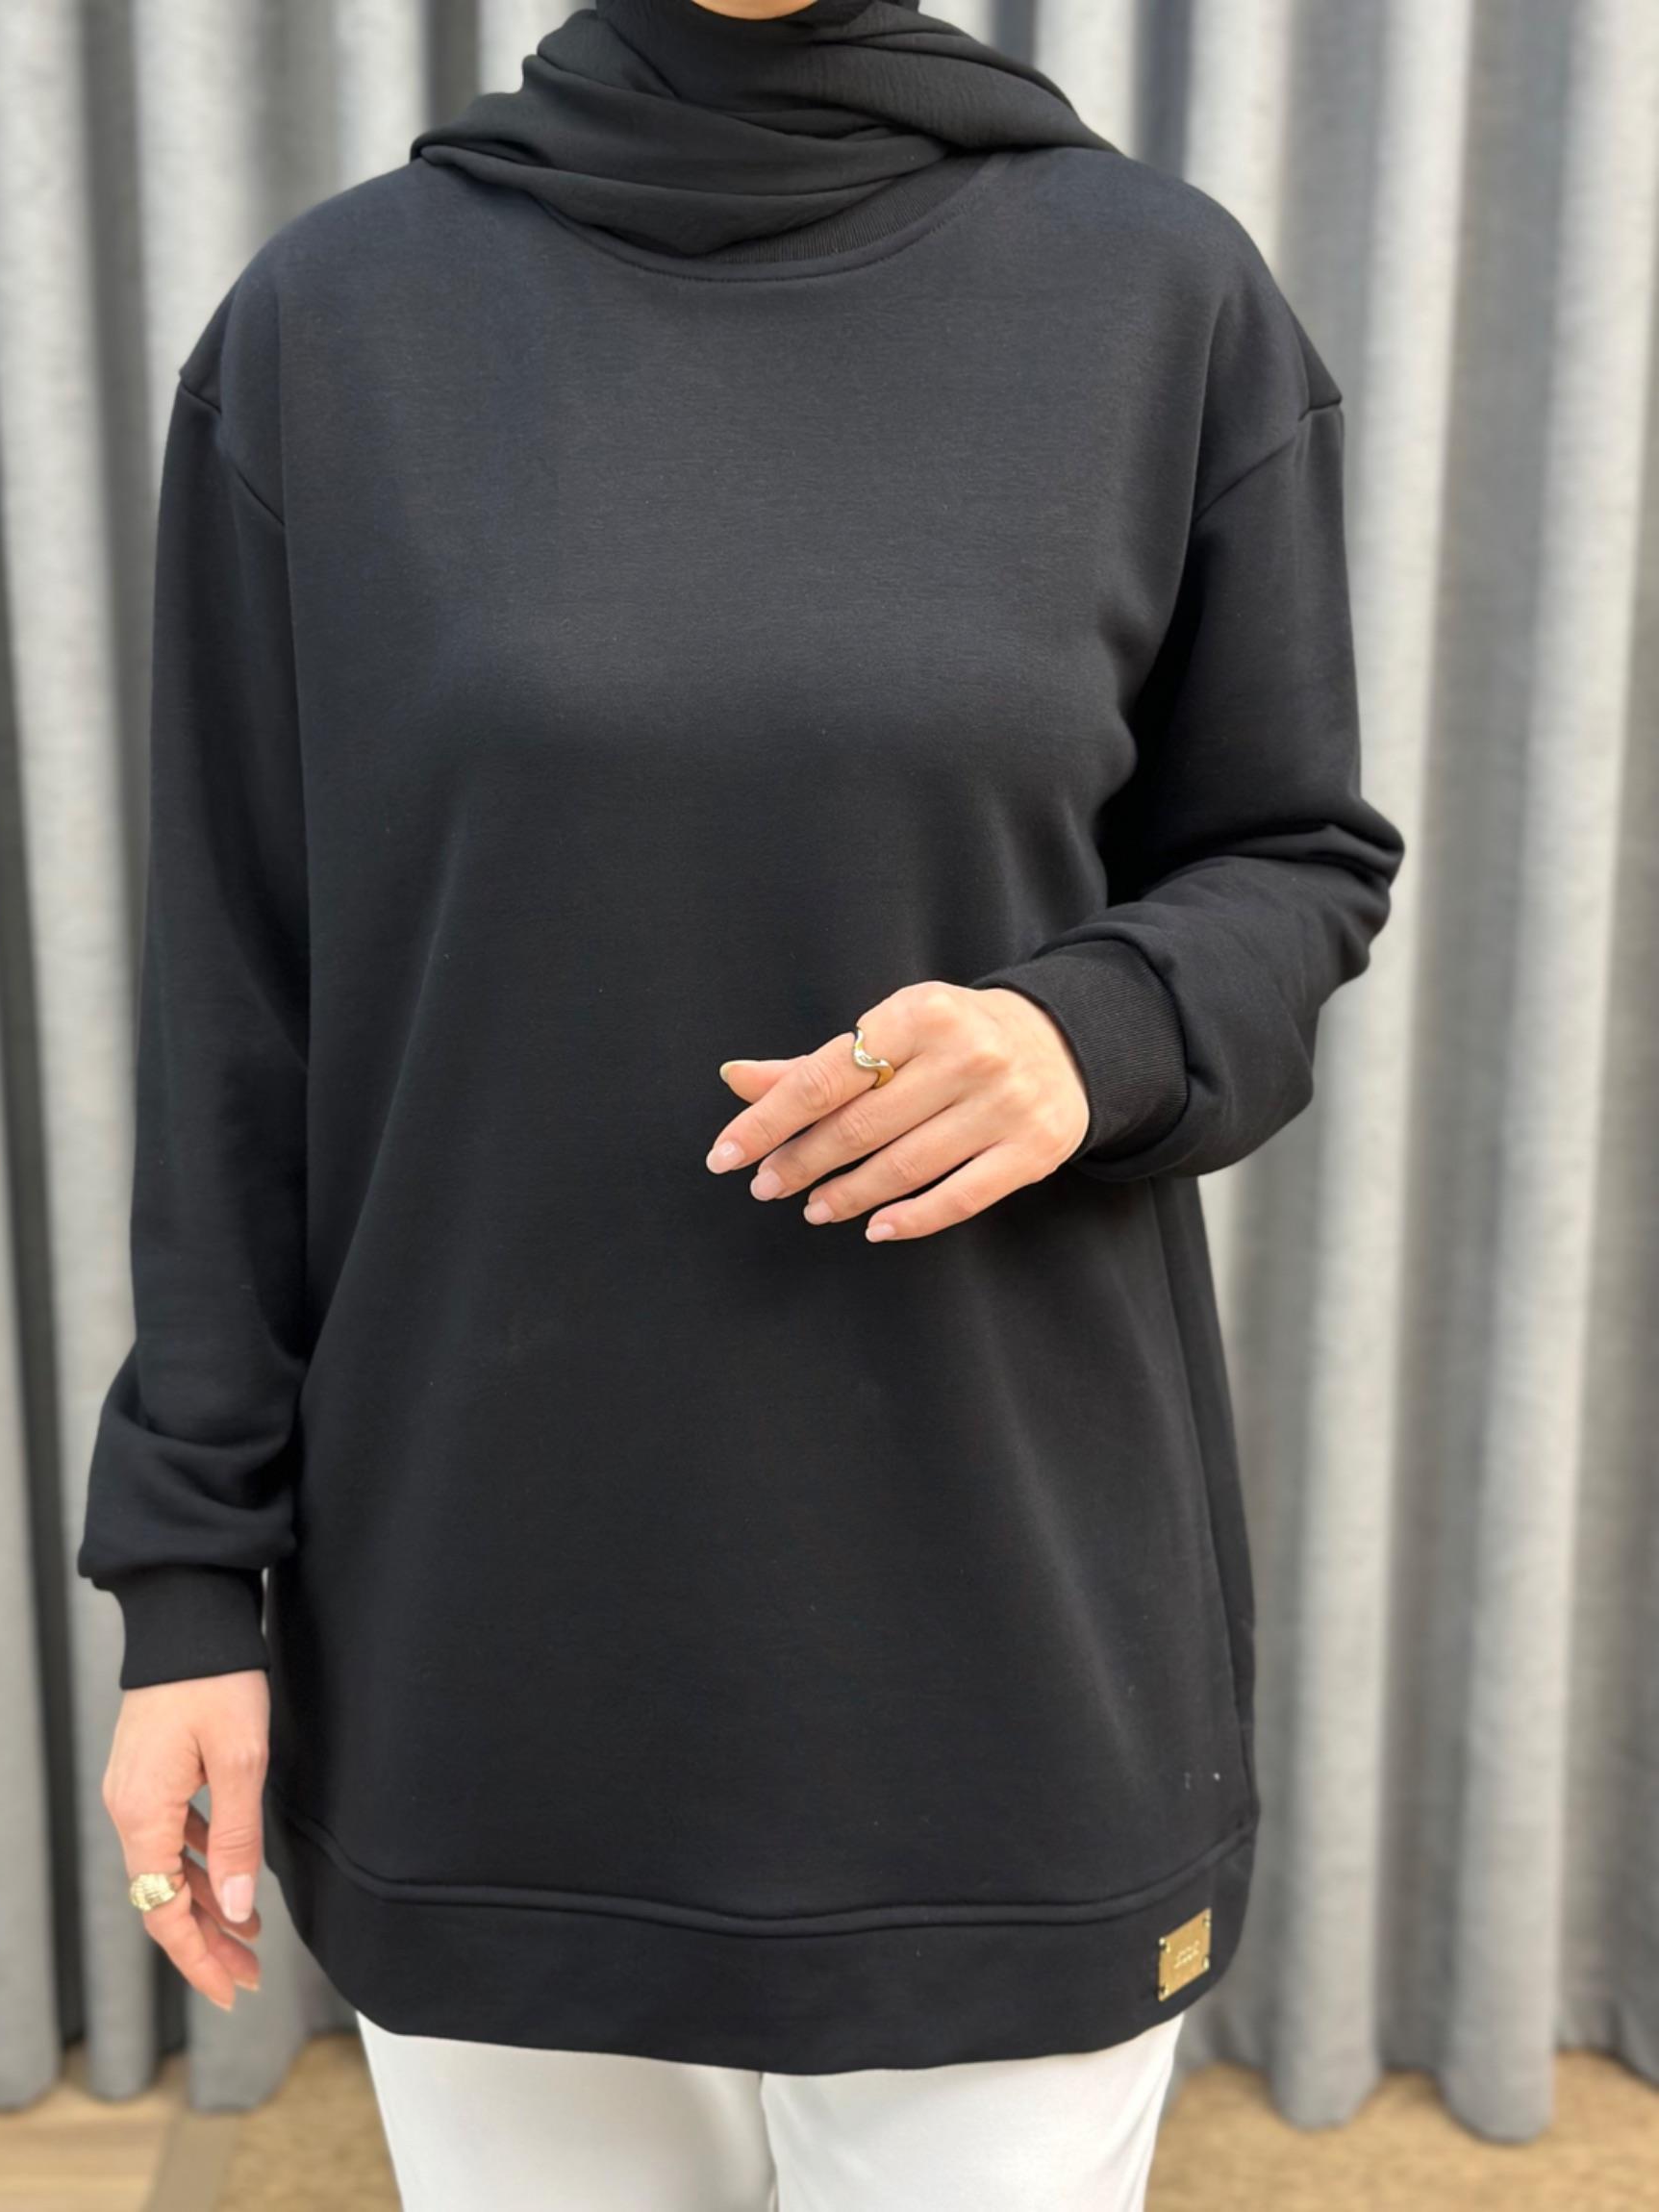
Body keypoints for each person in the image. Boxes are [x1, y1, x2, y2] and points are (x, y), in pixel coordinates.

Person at [79, 0, 1405, 2203]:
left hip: (1000, 1659)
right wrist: (189, 1584)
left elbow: (1294, 854)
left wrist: (1093, 1027)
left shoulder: (1160, 300)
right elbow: (236, 1017)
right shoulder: (330, 332)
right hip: (496, 1655)